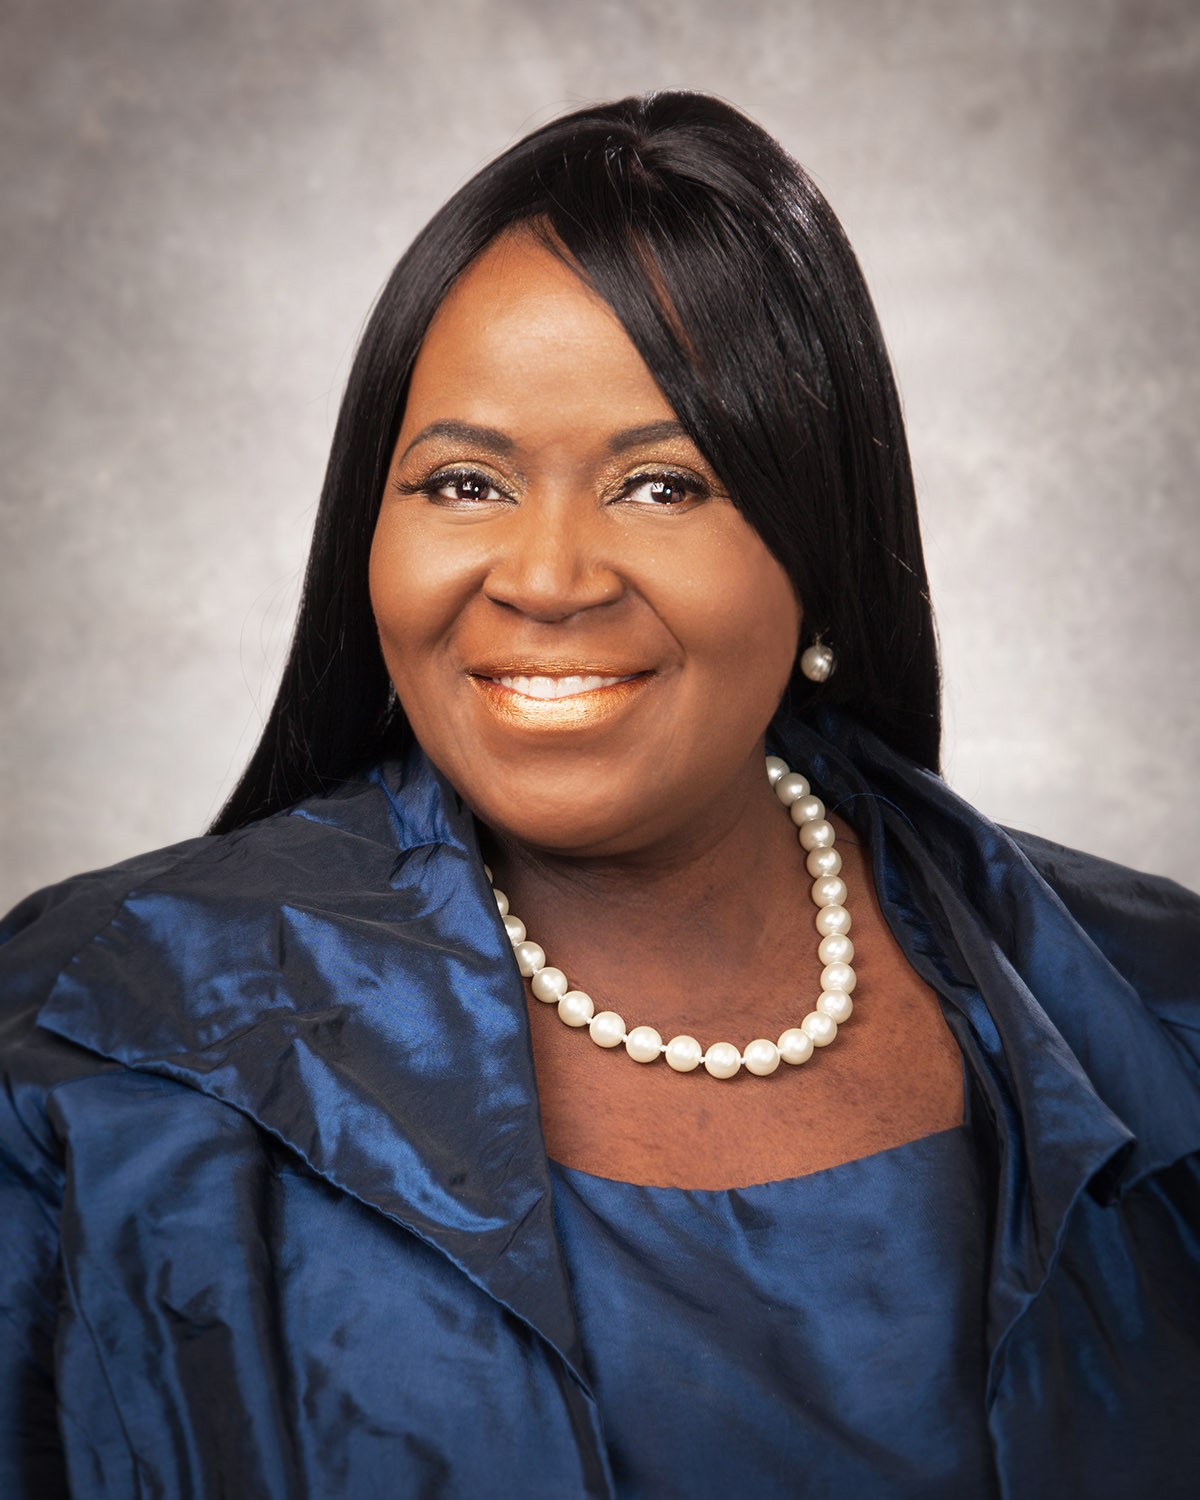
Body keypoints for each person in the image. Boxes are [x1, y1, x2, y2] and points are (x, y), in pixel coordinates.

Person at [1, 91, 1197, 1500]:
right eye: (462, 482)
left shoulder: (1156, 1004)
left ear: (818, 542)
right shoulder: (88, 1052)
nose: (549, 577)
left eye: (659, 486)